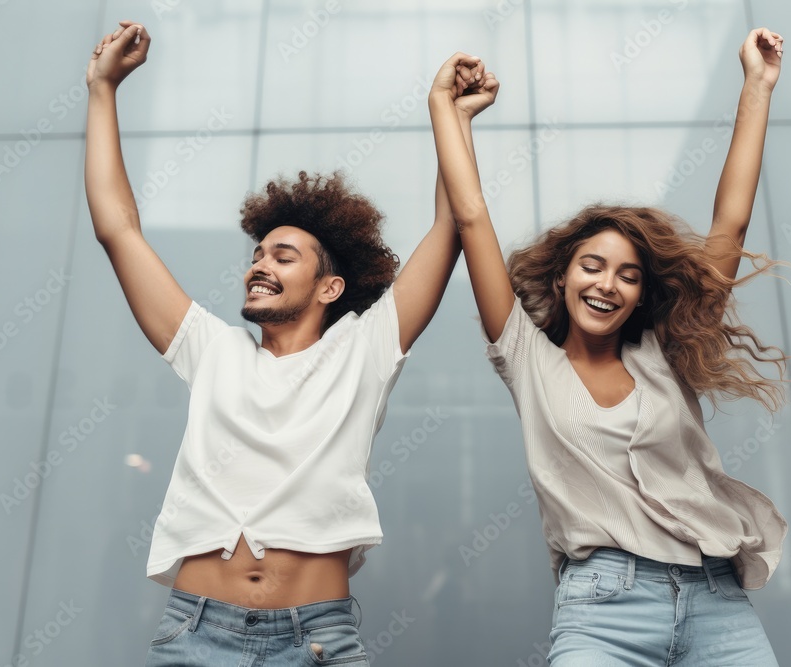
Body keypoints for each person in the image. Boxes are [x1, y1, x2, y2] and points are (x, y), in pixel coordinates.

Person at [84, 21, 497, 666]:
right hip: (197, 638)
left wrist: (452, 115)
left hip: (317, 642)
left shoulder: (363, 351)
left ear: (331, 287)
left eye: (282, 254)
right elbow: (119, 229)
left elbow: (451, 222)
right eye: (255, 253)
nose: (258, 264)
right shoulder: (212, 349)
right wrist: (102, 90)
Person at [430, 28, 788, 665]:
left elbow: (729, 223)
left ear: (641, 293)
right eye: (592, 266)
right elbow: (473, 217)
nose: (607, 285)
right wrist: (448, 112)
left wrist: (756, 86)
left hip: (717, 601)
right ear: (563, 274)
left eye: (628, 275)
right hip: (603, 611)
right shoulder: (527, 358)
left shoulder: (664, 356)